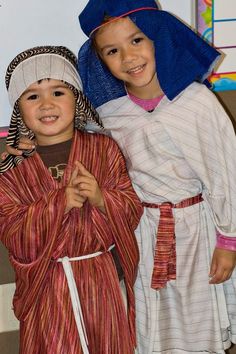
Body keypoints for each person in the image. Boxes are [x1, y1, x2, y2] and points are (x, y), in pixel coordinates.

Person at [77, 1, 236, 353]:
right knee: (151, 322)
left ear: (158, 39)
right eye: (113, 51)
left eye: (137, 41)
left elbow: (226, 172)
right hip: (141, 232)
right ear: (101, 60)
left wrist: (229, 241)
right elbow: (79, 145)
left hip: (197, 231)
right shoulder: (108, 114)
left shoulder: (196, 104)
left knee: (197, 321)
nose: (128, 57)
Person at [0, 45, 143, 354]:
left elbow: (131, 209)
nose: (46, 104)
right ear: (18, 109)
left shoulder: (103, 150)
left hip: (101, 281)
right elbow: (13, 234)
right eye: (33, 96)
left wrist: (101, 197)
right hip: (47, 288)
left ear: (76, 99)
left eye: (58, 92)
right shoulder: (13, 167)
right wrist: (57, 204)